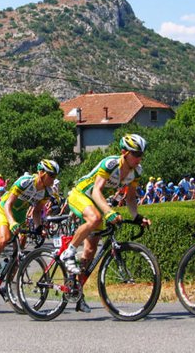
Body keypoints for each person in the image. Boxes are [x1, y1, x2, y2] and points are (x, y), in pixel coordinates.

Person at [60, 134, 150, 313]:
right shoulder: (110, 164)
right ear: (124, 152)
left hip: (96, 202)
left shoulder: (136, 172)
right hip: (81, 194)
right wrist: (108, 212)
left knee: (91, 250)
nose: (140, 158)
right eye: (136, 153)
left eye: (142, 154)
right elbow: (96, 191)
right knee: (95, 219)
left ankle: (77, 291)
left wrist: (137, 217)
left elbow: (130, 197)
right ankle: (68, 252)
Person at [0, 159, 59, 283]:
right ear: (41, 172)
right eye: (51, 175)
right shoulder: (25, 182)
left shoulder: (47, 192)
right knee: (4, 239)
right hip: (5, 210)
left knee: (20, 247)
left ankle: (7, 282)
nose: (53, 180)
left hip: (20, 215)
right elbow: (8, 205)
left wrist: (39, 228)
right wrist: (12, 222)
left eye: (55, 176)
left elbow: (37, 211)